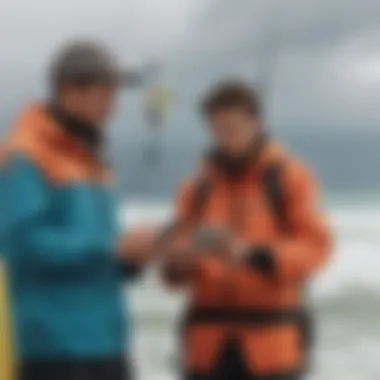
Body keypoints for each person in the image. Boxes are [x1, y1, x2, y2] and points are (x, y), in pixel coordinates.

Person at [0, 40, 157, 380]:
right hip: (54, 347)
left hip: (107, 342)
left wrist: (133, 257)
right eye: (107, 92)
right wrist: (109, 247)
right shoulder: (24, 156)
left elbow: (97, 246)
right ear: (70, 91)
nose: (114, 106)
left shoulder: (92, 159)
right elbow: (21, 245)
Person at [160, 81, 332, 380]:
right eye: (217, 128)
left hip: (272, 346)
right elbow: (173, 263)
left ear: (256, 122)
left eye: (233, 126)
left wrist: (257, 255)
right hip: (205, 346)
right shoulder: (196, 188)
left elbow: (317, 248)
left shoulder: (290, 178)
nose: (225, 136)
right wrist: (176, 264)